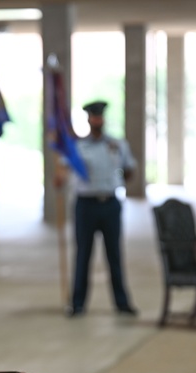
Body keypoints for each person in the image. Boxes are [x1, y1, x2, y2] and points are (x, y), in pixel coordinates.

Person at [55, 100, 139, 317]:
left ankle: (122, 303)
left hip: (110, 204)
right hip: (86, 205)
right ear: (88, 120)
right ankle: (78, 303)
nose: (97, 120)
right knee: (83, 255)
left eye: (100, 116)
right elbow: (63, 170)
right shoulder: (78, 147)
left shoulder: (117, 145)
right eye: (93, 117)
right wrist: (60, 178)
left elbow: (130, 171)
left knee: (114, 255)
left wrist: (122, 170)